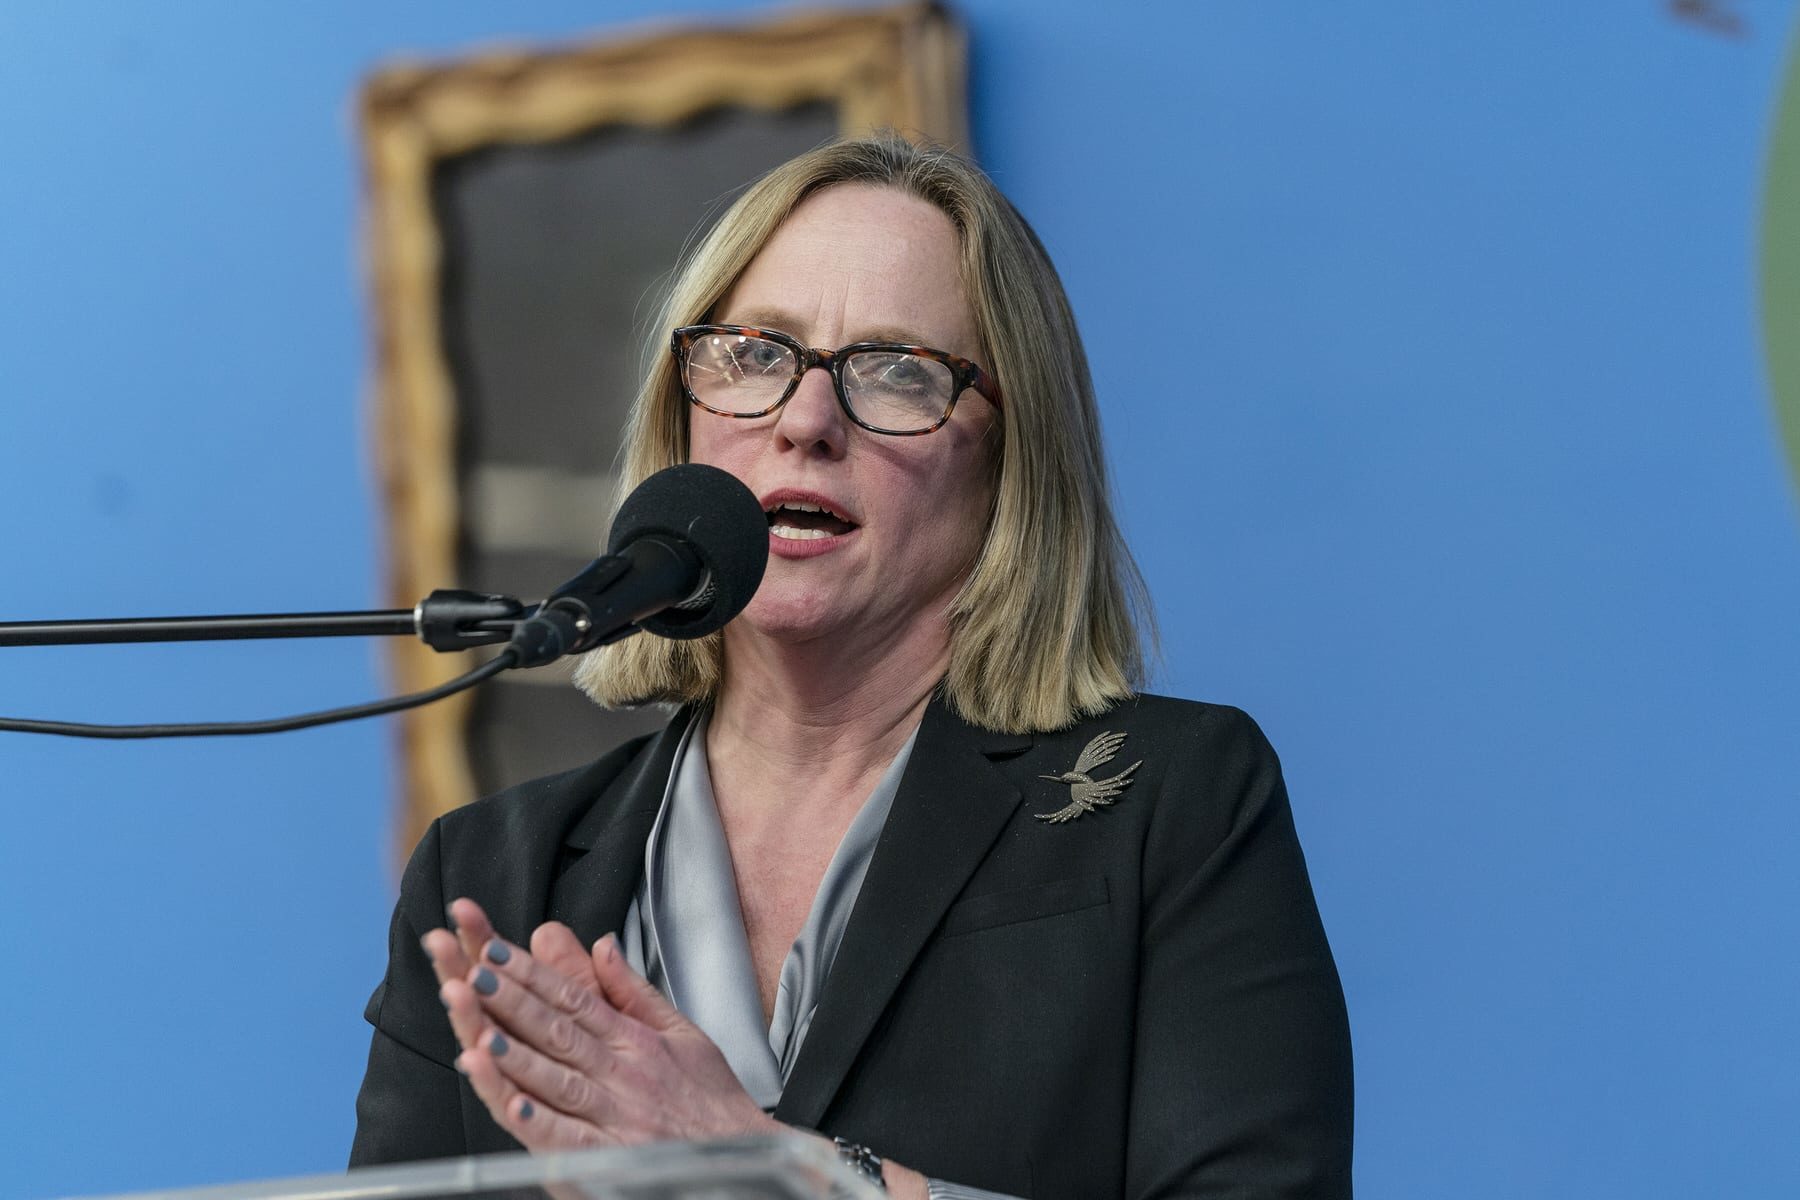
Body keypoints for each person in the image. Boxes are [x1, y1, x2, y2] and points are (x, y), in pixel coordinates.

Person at [350, 134, 1353, 1199]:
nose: (806, 420)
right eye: (755, 354)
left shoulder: (1174, 802)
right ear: (682, 416)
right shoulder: (490, 879)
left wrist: (786, 1176)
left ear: (1010, 467)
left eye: (898, 371)